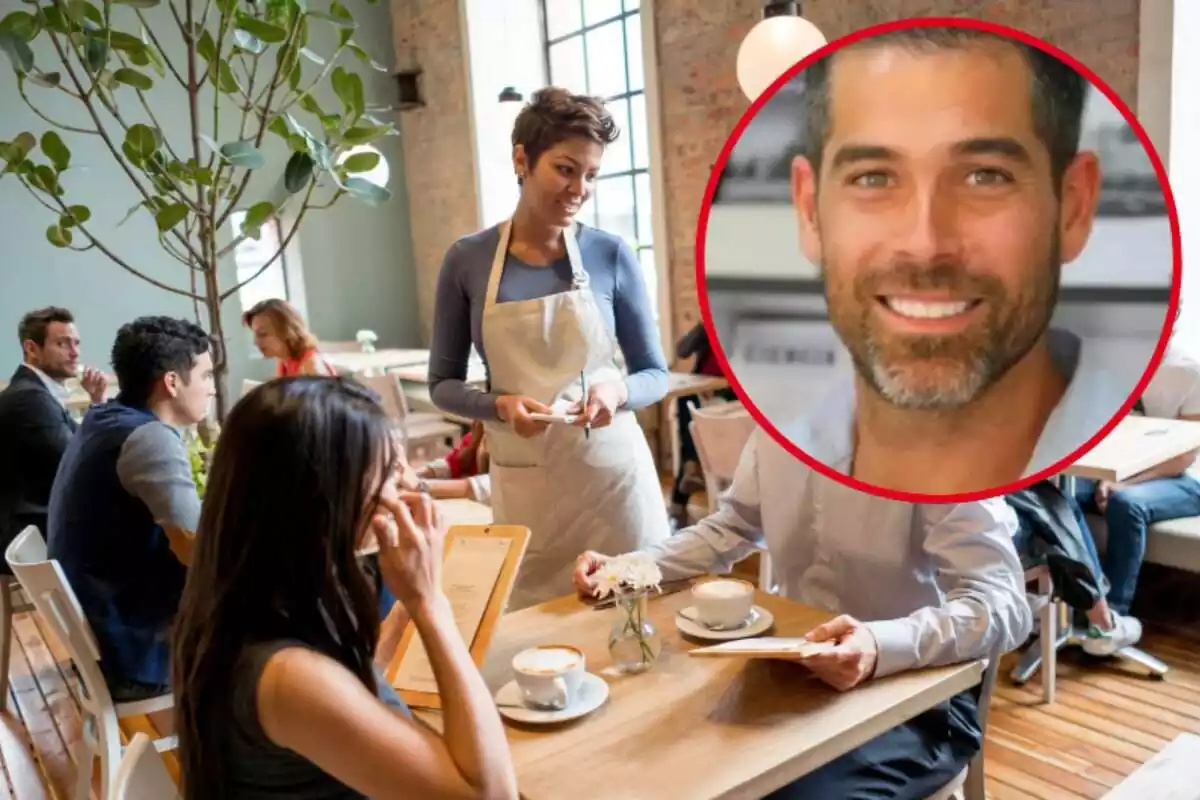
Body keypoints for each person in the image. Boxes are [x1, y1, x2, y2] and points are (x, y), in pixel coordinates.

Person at [573, 428, 1031, 799]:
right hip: (792, 679)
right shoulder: (777, 428)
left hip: (914, 702)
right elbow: (730, 528)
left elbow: (1004, 605)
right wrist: (628, 569)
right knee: (653, 765)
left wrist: (876, 644)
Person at [781, 25, 1127, 494]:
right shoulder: (785, 460)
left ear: (1073, 207)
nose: (925, 247)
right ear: (808, 210)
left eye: (985, 176)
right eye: (873, 179)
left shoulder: (1112, 452)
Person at [172, 377, 518, 800]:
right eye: (391, 471)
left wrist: (408, 602)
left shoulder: (248, 597)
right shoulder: (287, 677)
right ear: (323, 496)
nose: (410, 486)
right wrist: (428, 602)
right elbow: (491, 793)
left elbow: (360, 673)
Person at [428, 86, 671, 609]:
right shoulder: (467, 260)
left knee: (635, 635)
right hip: (526, 493)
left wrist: (616, 391)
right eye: (565, 169)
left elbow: (655, 373)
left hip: (615, 488)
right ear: (522, 159)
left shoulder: (609, 254)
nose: (579, 189)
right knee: (536, 643)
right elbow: (442, 385)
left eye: (591, 175)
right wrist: (497, 405)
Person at [47, 316, 213, 701]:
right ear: (171, 382)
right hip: (136, 650)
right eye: (205, 376)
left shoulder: (104, 417)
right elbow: (196, 550)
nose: (211, 390)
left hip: (106, 630)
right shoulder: (149, 438)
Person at [1073, 338, 1200, 615]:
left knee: (1126, 503)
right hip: (1118, 469)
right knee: (1060, 492)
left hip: (1182, 478)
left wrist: (1121, 482)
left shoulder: (1188, 371)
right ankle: (1089, 595)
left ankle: (1113, 613)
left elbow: (1184, 456)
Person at [0, 307, 107, 549]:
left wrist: (97, 402)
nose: (75, 353)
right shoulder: (29, 398)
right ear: (31, 349)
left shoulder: (35, 392)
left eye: (76, 343)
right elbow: (79, 463)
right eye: (62, 344)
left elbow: (78, 443)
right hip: (34, 529)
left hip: (38, 522)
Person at [1006, 480, 1142, 656]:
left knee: (1049, 503)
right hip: (995, 539)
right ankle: (1102, 622)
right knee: (1055, 504)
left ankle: (1032, 608)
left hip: (971, 525)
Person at [669, 322, 736, 526]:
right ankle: (690, 470)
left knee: (696, 435)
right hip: (703, 398)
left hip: (733, 403)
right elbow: (682, 351)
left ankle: (680, 497)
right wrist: (704, 326)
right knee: (687, 402)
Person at [399, 421, 493, 504]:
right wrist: (413, 474)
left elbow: (476, 487)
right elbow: (452, 463)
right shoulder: (479, 433)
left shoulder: (504, 447)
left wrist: (419, 485)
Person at [243, 298, 336, 377]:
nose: (255, 342)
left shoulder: (311, 366)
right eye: (255, 334)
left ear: (287, 332)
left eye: (262, 334)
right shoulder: (284, 359)